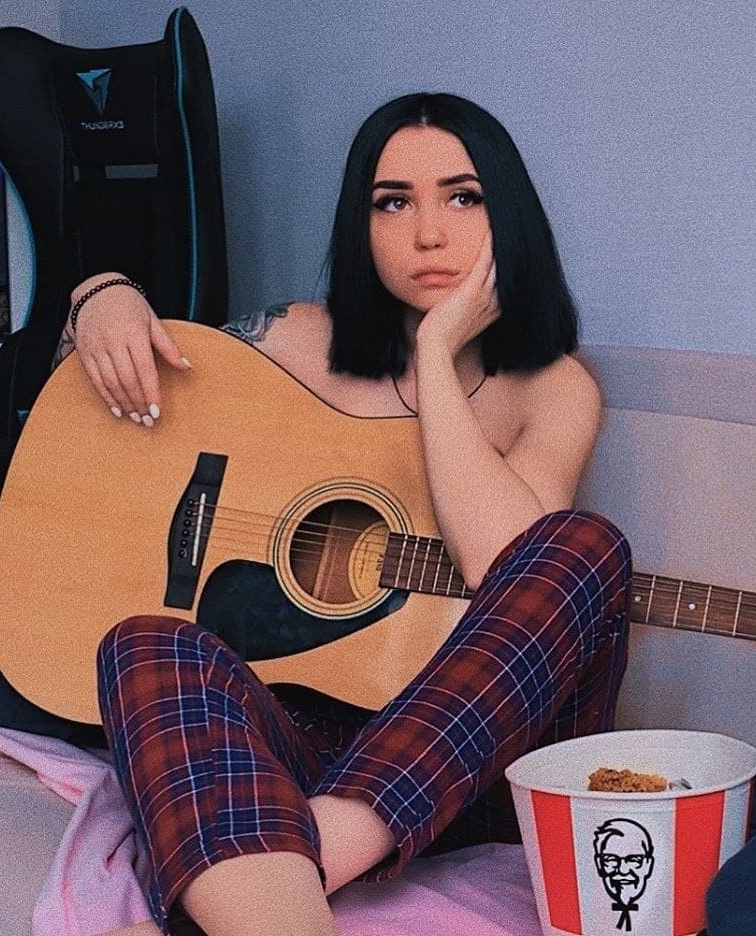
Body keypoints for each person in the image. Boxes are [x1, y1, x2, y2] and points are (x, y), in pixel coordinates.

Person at [59, 92, 632, 936]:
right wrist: (99, 296)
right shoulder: (294, 338)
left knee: (582, 545)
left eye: (462, 197)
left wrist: (436, 350)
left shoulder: (555, 388)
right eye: (393, 202)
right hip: (304, 736)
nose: (428, 233)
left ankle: (284, 865)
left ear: (508, 212)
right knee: (143, 643)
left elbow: (501, 564)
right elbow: (103, 393)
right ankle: (274, 894)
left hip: (471, 763)